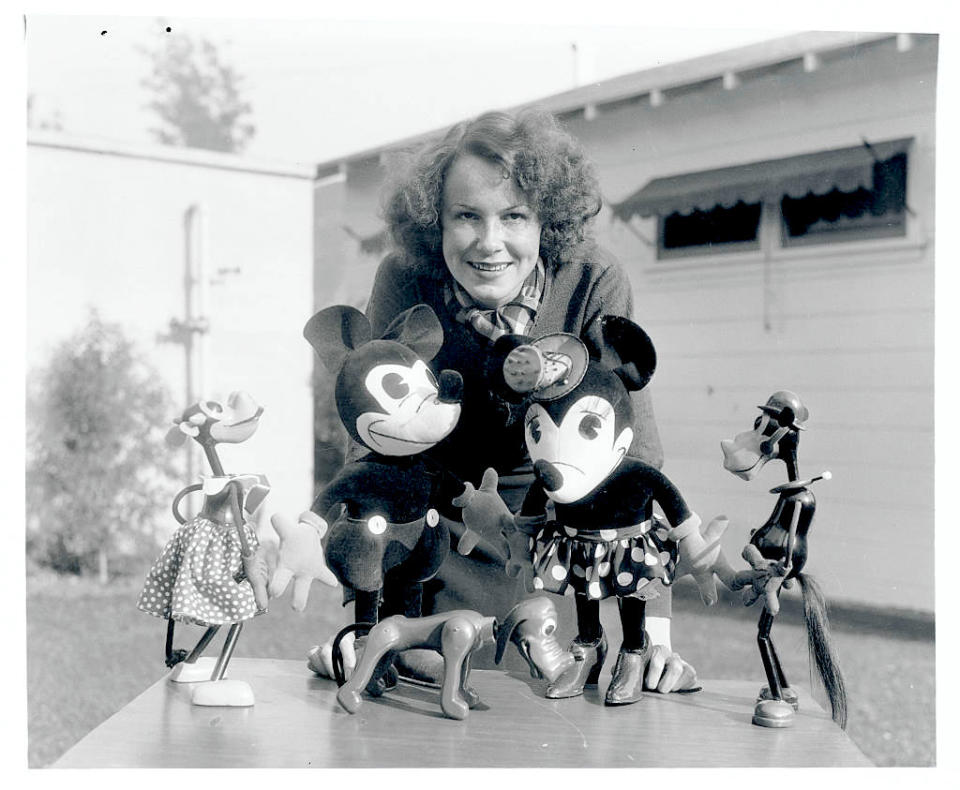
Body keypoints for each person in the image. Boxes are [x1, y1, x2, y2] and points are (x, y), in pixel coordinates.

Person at [309, 108, 699, 694]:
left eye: (514, 216)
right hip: (435, 537)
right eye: (466, 216)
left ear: (548, 221)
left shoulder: (594, 280)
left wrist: (660, 637)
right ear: (432, 222)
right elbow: (370, 449)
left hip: (553, 542)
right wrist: (363, 617)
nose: (490, 243)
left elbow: (632, 454)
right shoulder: (404, 279)